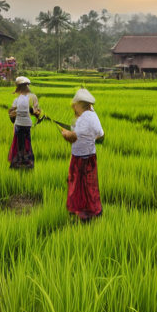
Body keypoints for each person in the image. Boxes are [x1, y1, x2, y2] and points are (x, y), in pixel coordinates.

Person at [61, 89, 104, 222]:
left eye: (76, 105)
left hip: (79, 158)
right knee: (90, 183)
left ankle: (81, 212)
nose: (74, 107)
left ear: (82, 105)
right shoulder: (93, 116)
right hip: (91, 157)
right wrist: (89, 138)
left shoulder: (83, 119)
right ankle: (95, 209)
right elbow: (100, 134)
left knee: (77, 183)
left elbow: (72, 137)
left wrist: (65, 134)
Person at [8, 76, 40, 170]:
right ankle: (27, 162)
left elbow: (11, 114)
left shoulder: (17, 100)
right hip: (27, 125)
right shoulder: (32, 98)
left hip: (18, 125)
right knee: (27, 143)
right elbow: (36, 112)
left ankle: (18, 162)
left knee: (19, 143)